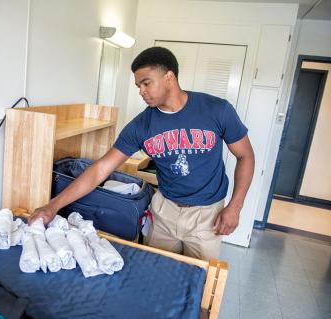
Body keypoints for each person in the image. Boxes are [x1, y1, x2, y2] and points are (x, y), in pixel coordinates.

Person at [29, 47, 254, 261]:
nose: (141, 92)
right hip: (164, 211)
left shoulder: (216, 110)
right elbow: (100, 169)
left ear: (169, 77)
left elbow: (246, 156)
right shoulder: (142, 125)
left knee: (199, 282)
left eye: (146, 83)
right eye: (138, 86)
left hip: (207, 215)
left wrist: (235, 206)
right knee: (155, 274)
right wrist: (53, 205)